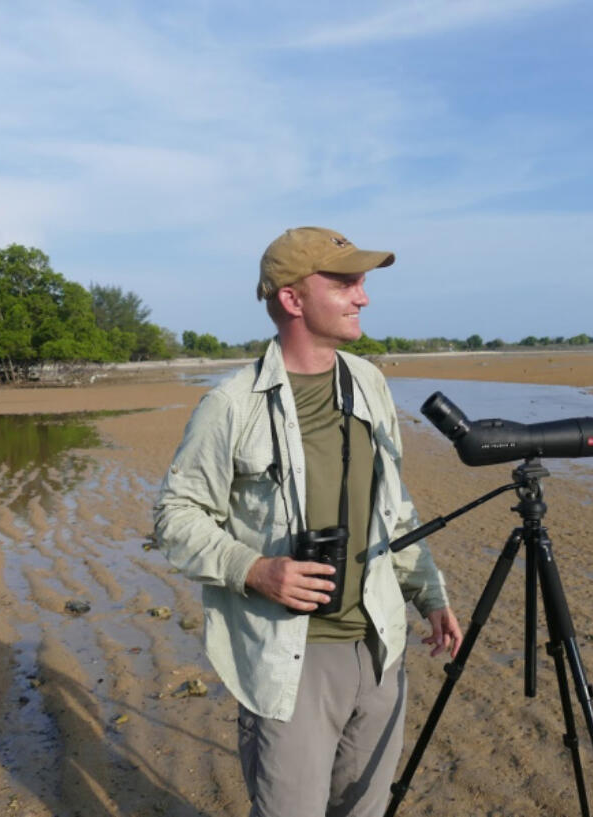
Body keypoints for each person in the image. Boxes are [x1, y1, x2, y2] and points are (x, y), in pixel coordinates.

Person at [153, 226, 462, 817]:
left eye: (363, 282)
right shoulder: (233, 404)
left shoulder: (369, 382)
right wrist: (254, 569)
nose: (363, 296)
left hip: (380, 645)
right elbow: (175, 516)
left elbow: (394, 505)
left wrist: (430, 592)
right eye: (345, 283)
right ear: (292, 299)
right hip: (290, 659)